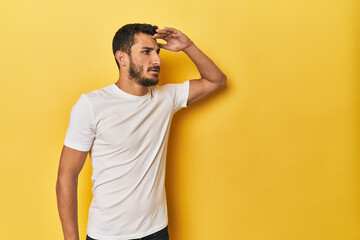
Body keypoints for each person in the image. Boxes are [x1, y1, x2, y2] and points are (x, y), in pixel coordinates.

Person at [56, 23, 226, 240]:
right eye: (146, 52)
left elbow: (216, 80)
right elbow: (66, 176)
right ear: (122, 57)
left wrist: (188, 46)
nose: (157, 60)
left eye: (157, 52)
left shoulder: (166, 98)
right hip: (107, 235)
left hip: (156, 232)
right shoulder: (91, 105)